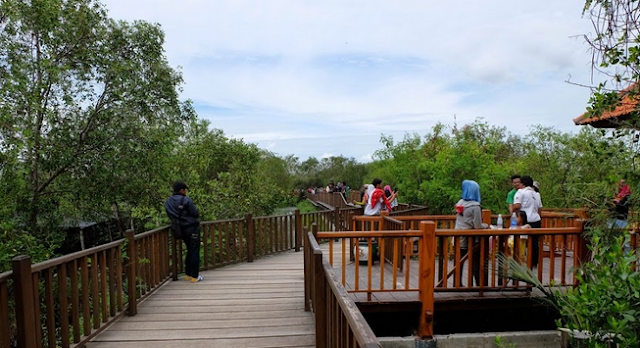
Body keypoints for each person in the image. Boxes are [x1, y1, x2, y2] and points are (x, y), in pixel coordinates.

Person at [165, 181, 203, 283]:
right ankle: (195, 276)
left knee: (189, 250)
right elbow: (195, 213)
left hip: (179, 230)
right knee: (194, 251)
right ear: (181, 190)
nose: (185, 192)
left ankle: (188, 274)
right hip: (192, 228)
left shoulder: (168, 202)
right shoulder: (186, 200)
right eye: (185, 190)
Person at [454, 180, 489, 286]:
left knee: (458, 262)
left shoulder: (460, 203)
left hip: (458, 237)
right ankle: (480, 284)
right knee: (476, 262)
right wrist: (487, 226)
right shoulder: (475, 206)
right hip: (470, 239)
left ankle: (457, 283)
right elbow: (477, 226)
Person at [513, 176, 542, 267]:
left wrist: (512, 209)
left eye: (520, 183)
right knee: (534, 242)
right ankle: (533, 262)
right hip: (536, 219)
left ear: (523, 184)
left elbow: (517, 206)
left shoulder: (521, 192)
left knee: (521, 240)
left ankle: (519, 260)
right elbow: (539, 208)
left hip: (526, 219)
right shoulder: (536, 194)